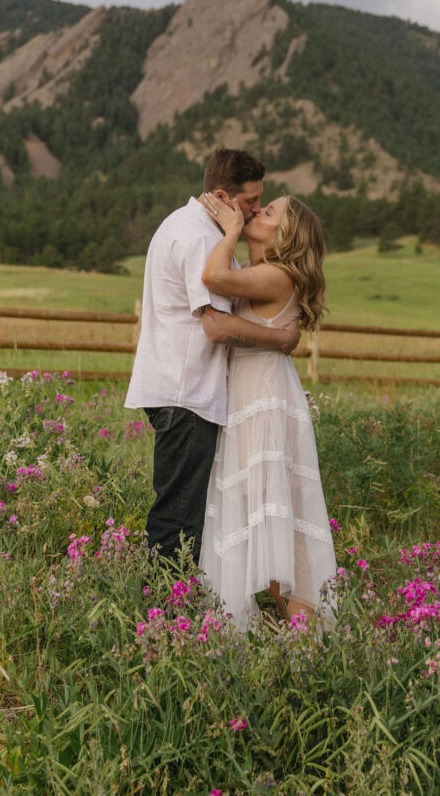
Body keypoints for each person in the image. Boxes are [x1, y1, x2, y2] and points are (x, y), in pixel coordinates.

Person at [125, 149, 301, 566]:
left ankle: (174, 608)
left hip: (177, 388)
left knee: (182, 509)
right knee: (180, 516)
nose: (256, 209)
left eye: (261, 201)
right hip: (187, 393)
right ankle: (166, 616)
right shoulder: (203, 238)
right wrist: (279, 338)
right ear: (223, 195)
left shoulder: (187, 223)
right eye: (250, 202)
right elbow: (217, 326)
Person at [198, 192, 337, 630]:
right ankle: (295, 635)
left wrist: (232, 228)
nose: (258, 210)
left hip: (264, 401)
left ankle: (308, 642)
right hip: (250, 397)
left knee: (280, 521)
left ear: (285, 235)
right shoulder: (261, 273)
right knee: (266, 516)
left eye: (269, 211)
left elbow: (212, 275)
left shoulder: (277, 276)